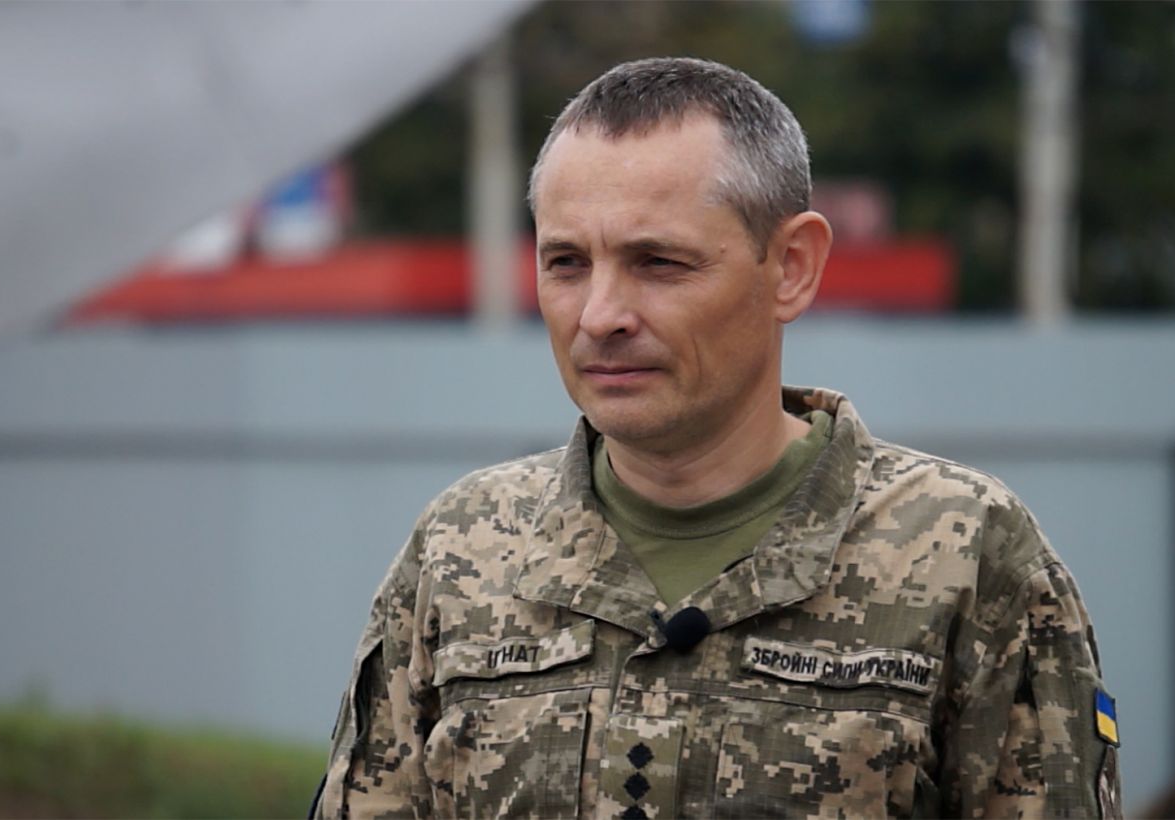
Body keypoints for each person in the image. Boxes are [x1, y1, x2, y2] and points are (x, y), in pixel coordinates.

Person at [311, 57, 1122, 819]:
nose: (600, 315)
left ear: (792, 266)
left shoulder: (962, 551)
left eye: (658, 262)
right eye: (565, 262)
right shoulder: (462, 550)